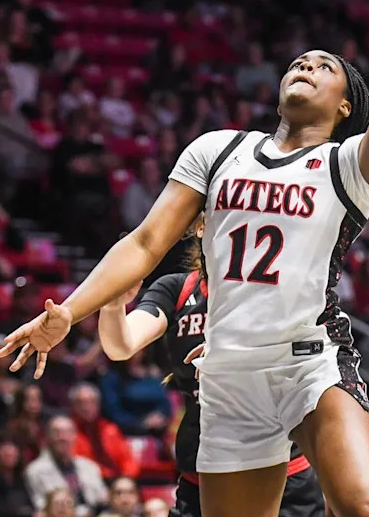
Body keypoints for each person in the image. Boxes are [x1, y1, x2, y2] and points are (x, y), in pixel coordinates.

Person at [0, 0, 369, 517]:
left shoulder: (348, 165)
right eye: (299, 61)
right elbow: (146, 241)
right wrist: (69, 313)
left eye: (322, 66)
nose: (305, 66)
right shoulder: (219, 149)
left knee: (364, 508)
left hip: (308, 362)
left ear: (345, 105)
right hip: (225, 377)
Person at [96, 220, 326, 517]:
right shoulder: (176, 289)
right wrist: (113, 304)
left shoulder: (277, 292)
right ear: (203, 226)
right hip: (201, 473)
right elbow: (120, 346)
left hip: (282, 473)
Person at [23, 415, 108, 514]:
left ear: (74, 436)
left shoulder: (90, 467)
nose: (63, 437)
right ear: (47, 437)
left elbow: (103, 498)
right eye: (56, 433)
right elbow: (41, 506)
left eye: (67, 432)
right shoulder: (35, 471)